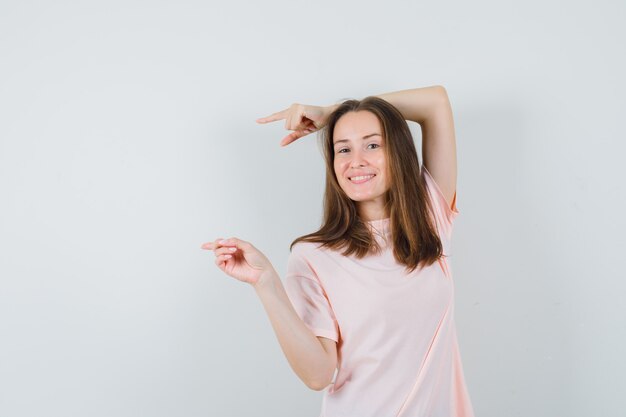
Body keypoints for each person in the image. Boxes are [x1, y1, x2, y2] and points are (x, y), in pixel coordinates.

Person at [201, 85, 475, 417]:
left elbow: (435, 102)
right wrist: (266, 283)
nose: (355, 162)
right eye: (342, 149)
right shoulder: (313, 256)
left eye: (372, 145)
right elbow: (318, 375)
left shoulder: (430, 218)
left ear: (398, 153)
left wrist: (334, 113)